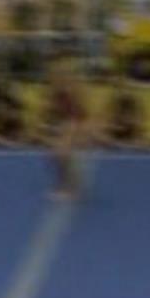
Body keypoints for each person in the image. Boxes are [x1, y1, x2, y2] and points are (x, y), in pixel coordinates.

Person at [44, 57, 88, 200]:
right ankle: (66, 185)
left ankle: (70, 188)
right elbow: (55, 112)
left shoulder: (72, 90)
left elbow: (81, 112)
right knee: (57, 155)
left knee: (62, 154)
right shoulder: (56, 93)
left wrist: (79, 132)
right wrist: (52, 130)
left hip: (75, 121)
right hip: (66, 121)